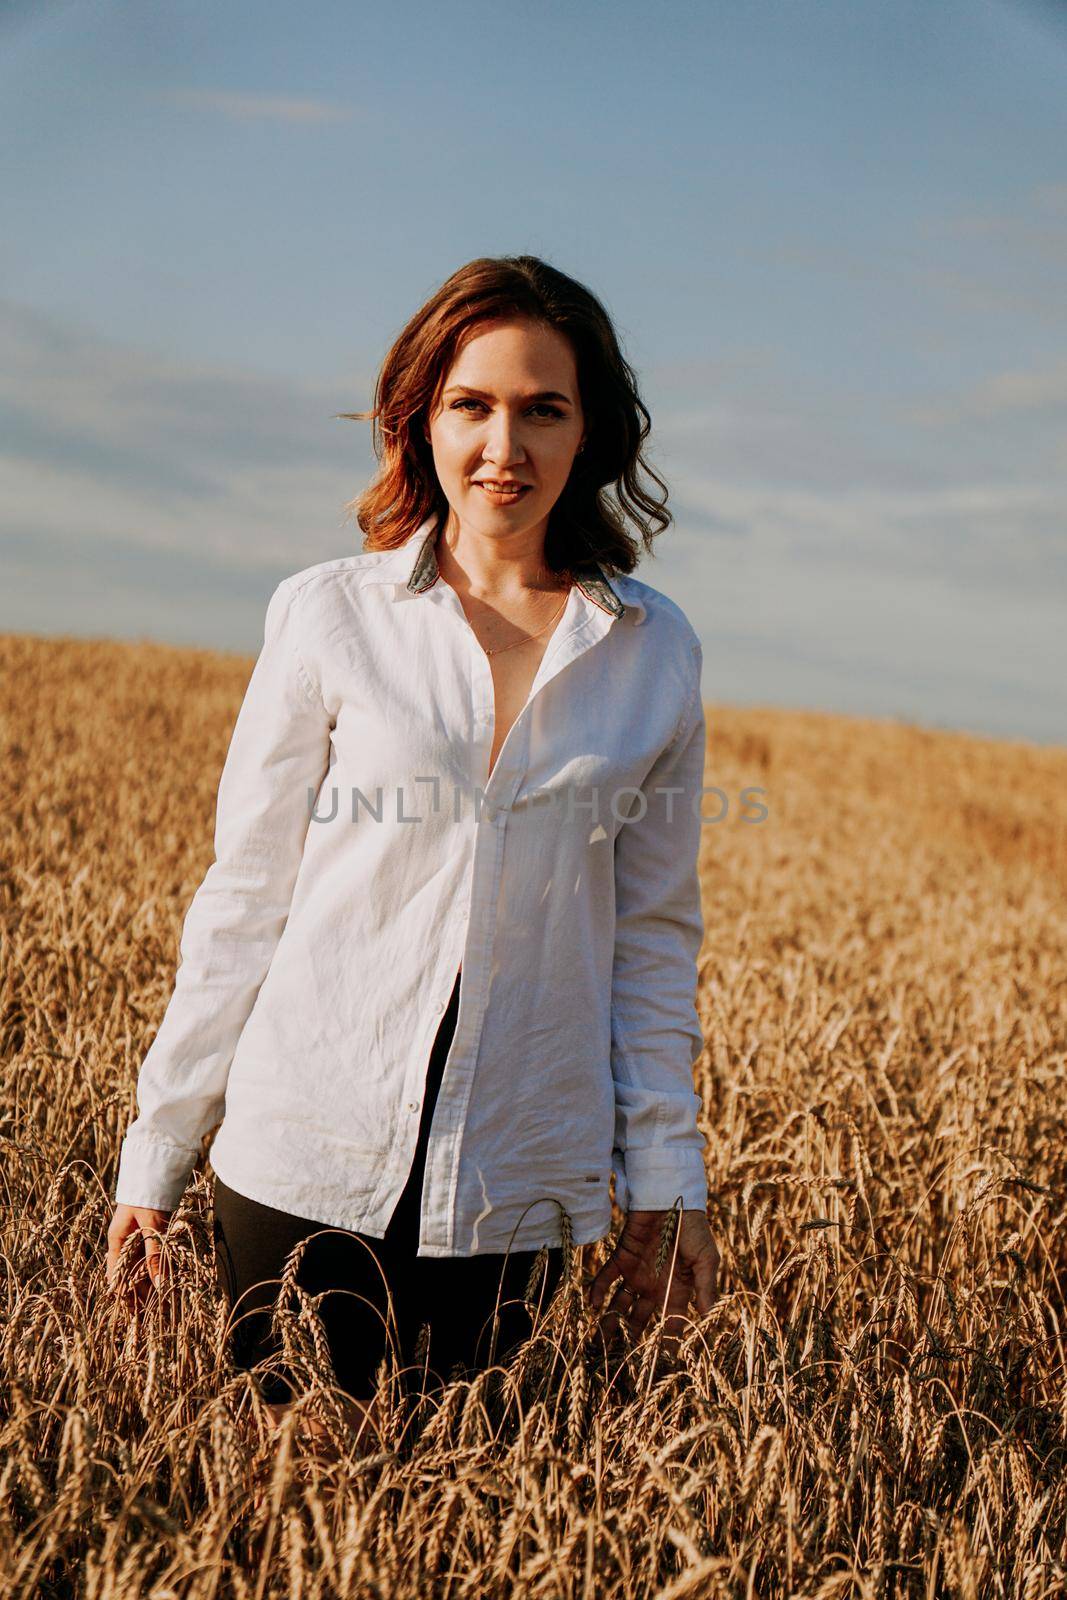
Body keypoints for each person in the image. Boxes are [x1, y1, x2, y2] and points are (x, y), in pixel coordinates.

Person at [105, 253, 721, 1443]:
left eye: (544, 408)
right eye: (470, 405)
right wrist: (158, 1150)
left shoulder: (655, 654)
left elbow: (651, 943)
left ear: (589, 430)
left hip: (519, 1191)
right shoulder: (327, 614)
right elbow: (245, 896)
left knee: (468, 1524)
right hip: (303, 1159)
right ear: (418, 418)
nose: (506, 445)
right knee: (276, 1517)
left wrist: (666, 1178)